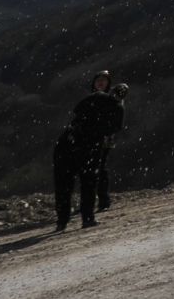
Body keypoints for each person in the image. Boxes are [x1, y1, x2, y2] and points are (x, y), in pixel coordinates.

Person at [53, 71, 124, 231]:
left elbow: (76, 115)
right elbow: (115, 126)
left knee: (64, 184)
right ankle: (88, 217)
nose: (101, 83)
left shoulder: (88, 100)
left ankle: (62, 221)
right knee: (89, 181)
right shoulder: (115, 105)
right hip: (90, 145)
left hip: (68, 143)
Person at [95, 82, 130, 211]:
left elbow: (116, 126)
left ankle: (102, 200)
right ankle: (101, 200)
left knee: (99, 169)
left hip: (104, 140)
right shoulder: (118, 105)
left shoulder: (113, 105)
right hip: (105, 139)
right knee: (100, 169)